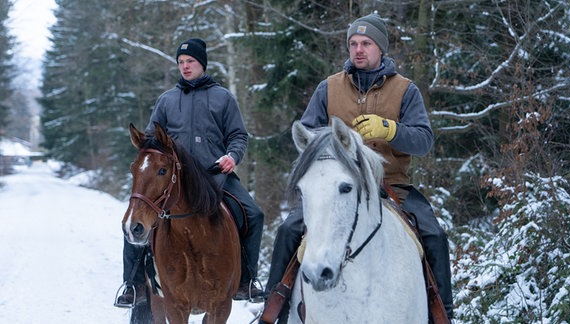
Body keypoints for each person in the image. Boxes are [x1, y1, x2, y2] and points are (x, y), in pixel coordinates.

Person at [263, 13, 453, 321]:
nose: (358, 50)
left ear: (381, 49)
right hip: (335, 186)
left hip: (393, 187)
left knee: (434, 235)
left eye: (366, 43)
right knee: (288, 230)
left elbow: (424, 140)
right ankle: (273, 312)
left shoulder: (406, 90)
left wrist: (390, 130)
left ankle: (442, 315)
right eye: (353, 43)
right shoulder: (328, 88)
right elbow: (308, 135)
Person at [115, 38, 265, 307]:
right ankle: (133, 284)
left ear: (202, 64)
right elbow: (152, 140)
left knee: (254, 214)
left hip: (215, 177)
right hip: (174, 181)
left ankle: (248, 280)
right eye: (181, 62)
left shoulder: (223, 97)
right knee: (136, 219)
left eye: (190, 62)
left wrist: (232, 156)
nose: (185, 67)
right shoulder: (166, 100)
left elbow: (238, 135)